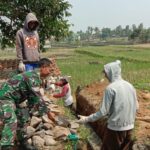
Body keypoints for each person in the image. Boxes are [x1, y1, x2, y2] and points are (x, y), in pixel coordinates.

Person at [76, 60, 139, 150]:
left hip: (116, 129)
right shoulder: (130, 86)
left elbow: (103, 112)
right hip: (129, 128)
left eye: (106, 73)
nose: (105, 76)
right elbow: (137, 107)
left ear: (111, 72)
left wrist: (86, 119)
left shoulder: (111, 88)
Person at [0, 58, 54, 150]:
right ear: (43, 67)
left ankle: (22, 142)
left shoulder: (36, 78)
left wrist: (32, 111)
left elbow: (32, 99)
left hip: (14, 100)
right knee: (11, 119)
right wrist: (48, 113)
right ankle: (6, 146)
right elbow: (38, 99)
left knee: (22, 117)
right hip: (5, 98)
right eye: (49, 68)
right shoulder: (33, 77)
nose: (50, 71)